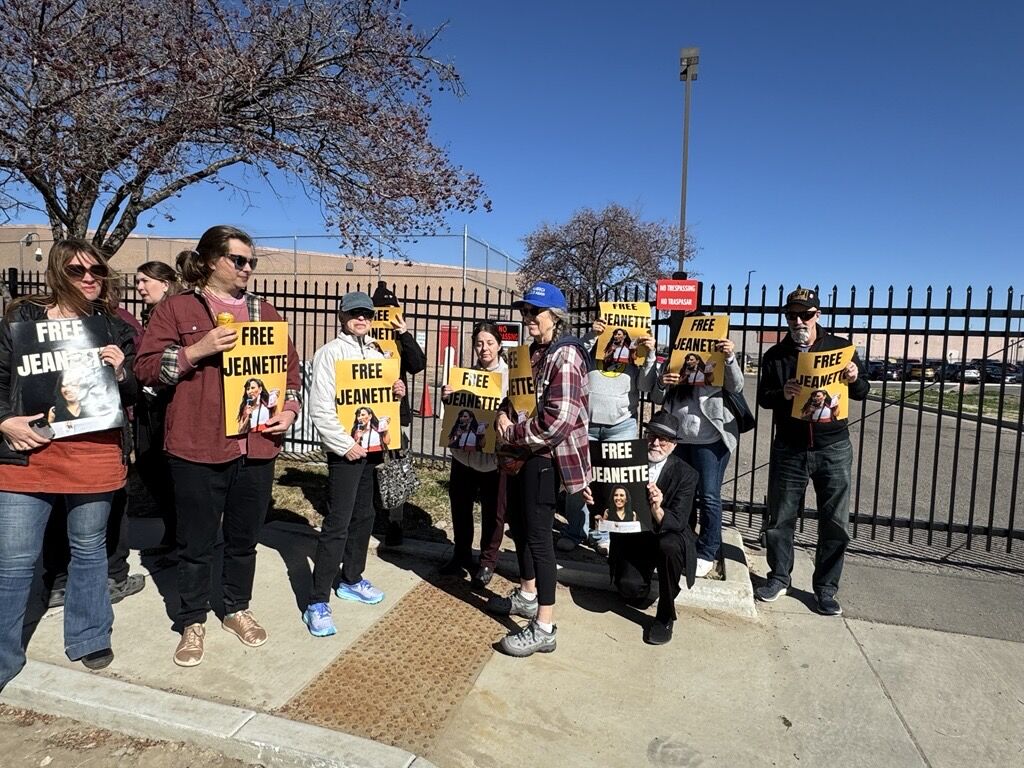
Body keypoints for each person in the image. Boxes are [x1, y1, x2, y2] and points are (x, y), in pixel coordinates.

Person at [134, 225, 301, 667]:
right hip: (198, 447)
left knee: (245, 539)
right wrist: (198, 349)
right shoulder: (177, 309)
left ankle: (235, 607)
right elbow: (147, 369)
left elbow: (289, 378)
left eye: (252, 262)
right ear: (210, 261)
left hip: (256, 446)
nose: (247, 268)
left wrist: (288, 410)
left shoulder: (266, 314)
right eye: (238, 260)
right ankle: (192, 621)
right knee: (196, 541)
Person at [0, 239, 138, 690]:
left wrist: (122, 374)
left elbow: (136, 396)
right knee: (15, 561)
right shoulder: (23, 320)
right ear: (58, 272)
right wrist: (4, 422)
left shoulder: (112, 326)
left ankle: (89, 633)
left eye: (97, 271)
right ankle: (3, 655)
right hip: (28, 453)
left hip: (92, 453)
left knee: (88, 547)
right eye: (79, 271)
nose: (90, 280)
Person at [488, 282, 590, 657]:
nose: (528, 318)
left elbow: (557, 422)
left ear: (555, 316)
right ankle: (528, 594)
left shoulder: (566, 357)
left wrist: (512, 431)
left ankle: (544, 626)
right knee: (520, 526)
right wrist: (502, 411)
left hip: (544, 460)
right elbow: (515, 396)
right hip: (519, 457)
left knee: (541, 540)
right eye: (525, 311)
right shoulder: (528, 353)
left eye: (535, 312)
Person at [755, 287, 869, 616]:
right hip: (789, 448)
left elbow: (862, 392)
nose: (798, 321)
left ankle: (825, 589)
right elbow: (764, 398)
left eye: (804, 314)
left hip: (832, 447)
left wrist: (855, 376)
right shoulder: (775, 355)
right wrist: (783, 393)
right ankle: (778, 577)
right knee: (781, 518)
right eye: (791, 315)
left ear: (817, 315)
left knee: (835, 522)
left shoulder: (841, 349)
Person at [302, 291, 407, 637]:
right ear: (341, 317)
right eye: (354, 313)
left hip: (373, 448)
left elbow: (381, 396)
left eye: (366, 313)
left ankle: (352, 578)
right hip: (346, 451)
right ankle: (317, 600)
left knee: (365, 516)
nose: (361, 318)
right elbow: (320, 408)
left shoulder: (379, 350)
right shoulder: (330, 354)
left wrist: (396, 390)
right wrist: (345, 445)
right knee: (338, 521)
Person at [586, 411, 698, 645]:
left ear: (674, 445)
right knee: (629, 591)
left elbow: (678, 522)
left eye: (663, 439)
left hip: (668, 536)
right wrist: (595, 503)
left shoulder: (687, 474)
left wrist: (658, 509)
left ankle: (666, 615)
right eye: (651, 436)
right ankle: (642, 579)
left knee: (668, 546)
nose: (656, 443)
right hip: (635, 538)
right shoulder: (627, 461)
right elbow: (608, 503)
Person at [559, 315, 655, 554]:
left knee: (614, 484)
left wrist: (650, 354)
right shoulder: (592, 347)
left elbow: (645, 387)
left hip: (621, 425)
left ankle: (605, 534)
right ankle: (575, 530)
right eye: (616, 333)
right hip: (585, 425)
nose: (619, 336)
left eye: (623, 333)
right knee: (578, 481)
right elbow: (574, 357)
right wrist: (592, 336)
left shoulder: (635, 353)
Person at [652, 334, 744, 578]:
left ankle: (707, 551)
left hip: (710, 440)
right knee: (683, 495)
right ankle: (686, 542)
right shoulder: (674, 362)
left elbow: (737, 386)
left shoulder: (716, 362)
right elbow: (656, 397)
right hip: (680, 439)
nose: (691, 359)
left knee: (709, 496)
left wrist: (730, 357)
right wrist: (663, 383)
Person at [440, 321, 509, 585]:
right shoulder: (465, 376)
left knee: (494, 512)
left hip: (493, 458)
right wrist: (449, 396)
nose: (484, 348)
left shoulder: (508, 378)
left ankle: (488, 561)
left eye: (490, 342)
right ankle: (461, 554)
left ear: (499, 345)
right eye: (479, 343)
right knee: (460, 506)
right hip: (463, 456)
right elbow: (455, 415)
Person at [370, 283, 426, 547]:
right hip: (365, 411)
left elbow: (418, 364)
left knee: (395, 468)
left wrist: (404, 333)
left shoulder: (400, 338)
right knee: (369, 468)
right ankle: (368, 516)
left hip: (396, 412)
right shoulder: (363, 337)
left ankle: (395, 521)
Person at [133, 260, 181, 556]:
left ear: (165, 283)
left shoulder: (175, 314)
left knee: (168, 473)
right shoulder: (150, 314)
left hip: (168, 402)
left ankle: (178, 538)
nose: (139, 287)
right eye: (137, 281)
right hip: (147, 402)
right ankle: (171, 534)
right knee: (149, 467)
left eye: (144, 281)